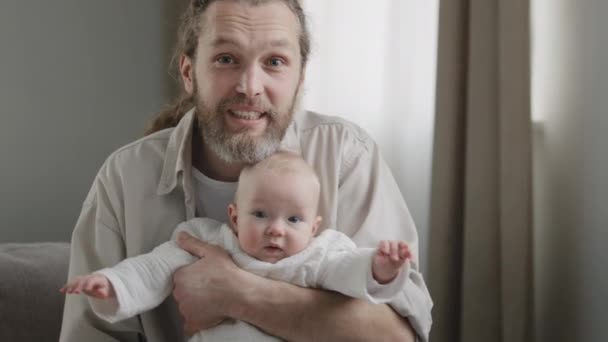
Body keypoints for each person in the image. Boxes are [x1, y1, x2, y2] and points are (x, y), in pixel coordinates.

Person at [59, 0, 433, 341]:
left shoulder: (348, 157)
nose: (250, 87)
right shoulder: (125, 178)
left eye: (274, 62)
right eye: (226, 59)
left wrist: (236, 294)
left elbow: (398, 337)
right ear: (189, 73)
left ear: (300, 79)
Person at [61, 151, 413, 341]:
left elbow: (349, 271)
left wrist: (379, 268)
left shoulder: (319, 253)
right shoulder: (208, 239)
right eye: (260, 214)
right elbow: (153, 269)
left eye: (293, 220)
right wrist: (113, 284)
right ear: (234, 216)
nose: (275, 230)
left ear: (314, 226)